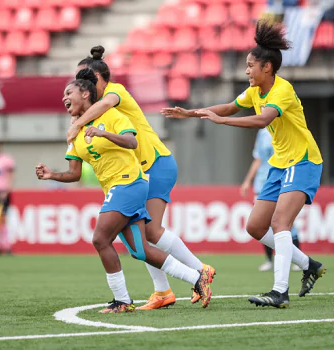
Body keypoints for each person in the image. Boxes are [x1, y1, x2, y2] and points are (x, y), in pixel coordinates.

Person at [162, 21, 326, 309]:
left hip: (303, 161)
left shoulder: (281, 91)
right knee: (255, 226)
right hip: (280, 164)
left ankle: (279, 291)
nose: (247, 70)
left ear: (267, 68)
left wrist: (221, 121)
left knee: (280, 223)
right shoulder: (254, 92)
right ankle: (308, 265)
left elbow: (262, 120)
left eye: (251, 65)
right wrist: (191, 113)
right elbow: (228, 107)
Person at [36, 77, 213, 313]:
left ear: (86, 94)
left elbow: (131, 141)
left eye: (69, 92)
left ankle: (122, 301)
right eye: (63, 95)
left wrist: (103, 134)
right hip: (117, 189)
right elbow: (74, 173)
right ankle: (196, 278)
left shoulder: (111, 116)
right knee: (140, 251)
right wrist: (51, 175)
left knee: (100, 239)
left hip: (129, 183)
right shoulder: (74, 134)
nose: (64, 98)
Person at [241, 129, 302, 272]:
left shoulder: (287, 127)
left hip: (282, 179)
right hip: (263, 181)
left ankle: (298, 260)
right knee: (263, 222)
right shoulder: (262, 132)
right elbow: (259, 159)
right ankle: (269, 260)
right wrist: (247, 181)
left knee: (285, 221)